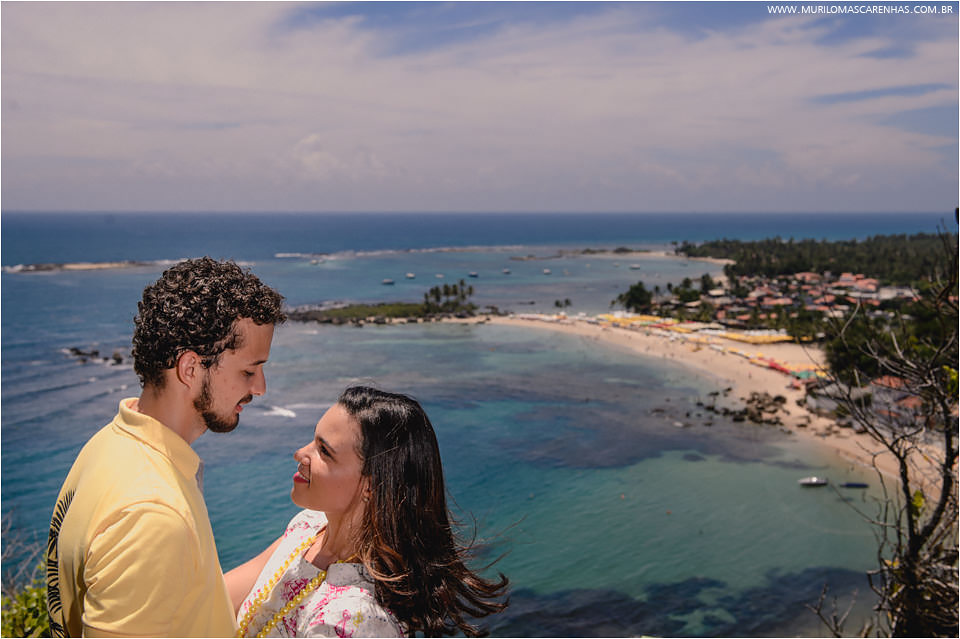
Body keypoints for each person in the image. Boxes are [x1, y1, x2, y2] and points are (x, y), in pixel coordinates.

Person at [45, 257, 286, 637]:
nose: (260, 388)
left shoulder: (109, 444)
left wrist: (304, 541)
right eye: (248, 370)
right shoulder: (153, 514)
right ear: (191, 369)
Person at [225, 386, 509, 638]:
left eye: (324, 451)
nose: (300, 453)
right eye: (313, 440)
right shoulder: (309, 528)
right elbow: (217, 595)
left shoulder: (354, 621)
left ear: (371, 486)